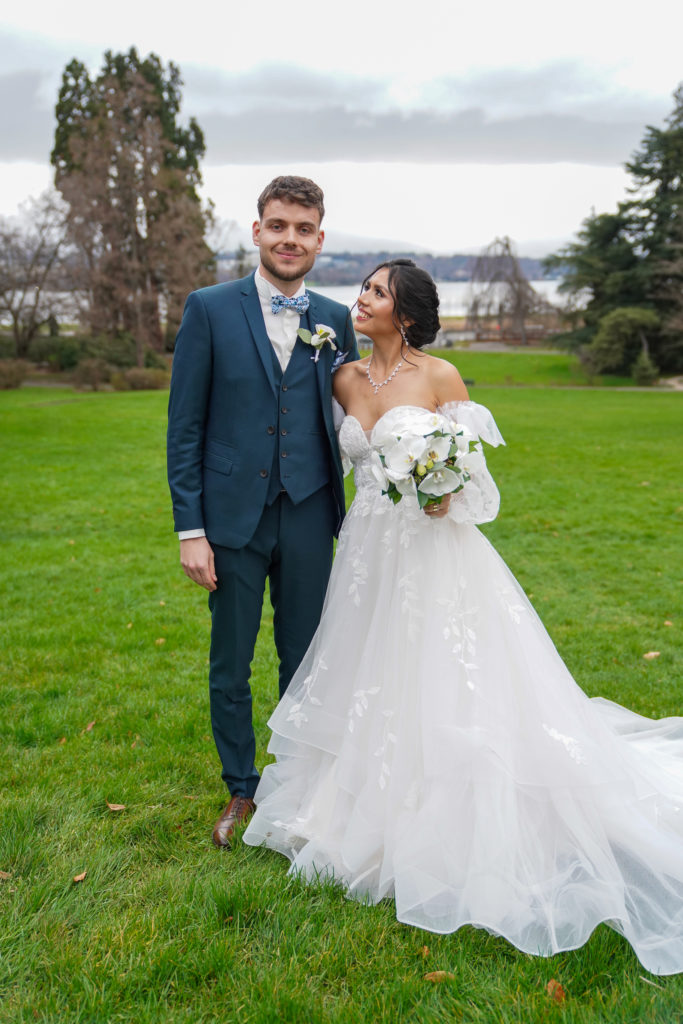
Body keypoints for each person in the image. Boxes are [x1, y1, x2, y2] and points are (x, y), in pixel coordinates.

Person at [244, 259, 683, 975]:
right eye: (363, 289)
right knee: (368, 666)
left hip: (434, 551)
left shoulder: (442, 378)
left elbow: (475, 483)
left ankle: (452, 806)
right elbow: (333, 460)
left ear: (405, 313)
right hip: (365, 550)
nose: (361, 299)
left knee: (447, 672)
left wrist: (443, 491)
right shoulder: (343, 380)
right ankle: (353, 801)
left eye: (375, 292)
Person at [167, 176, 359, 848]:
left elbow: (354, 421)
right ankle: (242, 789)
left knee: (306, 657)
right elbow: (184, 427)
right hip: (230, 519)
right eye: (278, 226)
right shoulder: (209, 308)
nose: (289, 239)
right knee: (231, 661)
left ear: (319, 239)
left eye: (303, 229)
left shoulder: (335, 320)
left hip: (309, 512)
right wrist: (191, 530)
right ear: (256, 232)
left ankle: (298, 785)